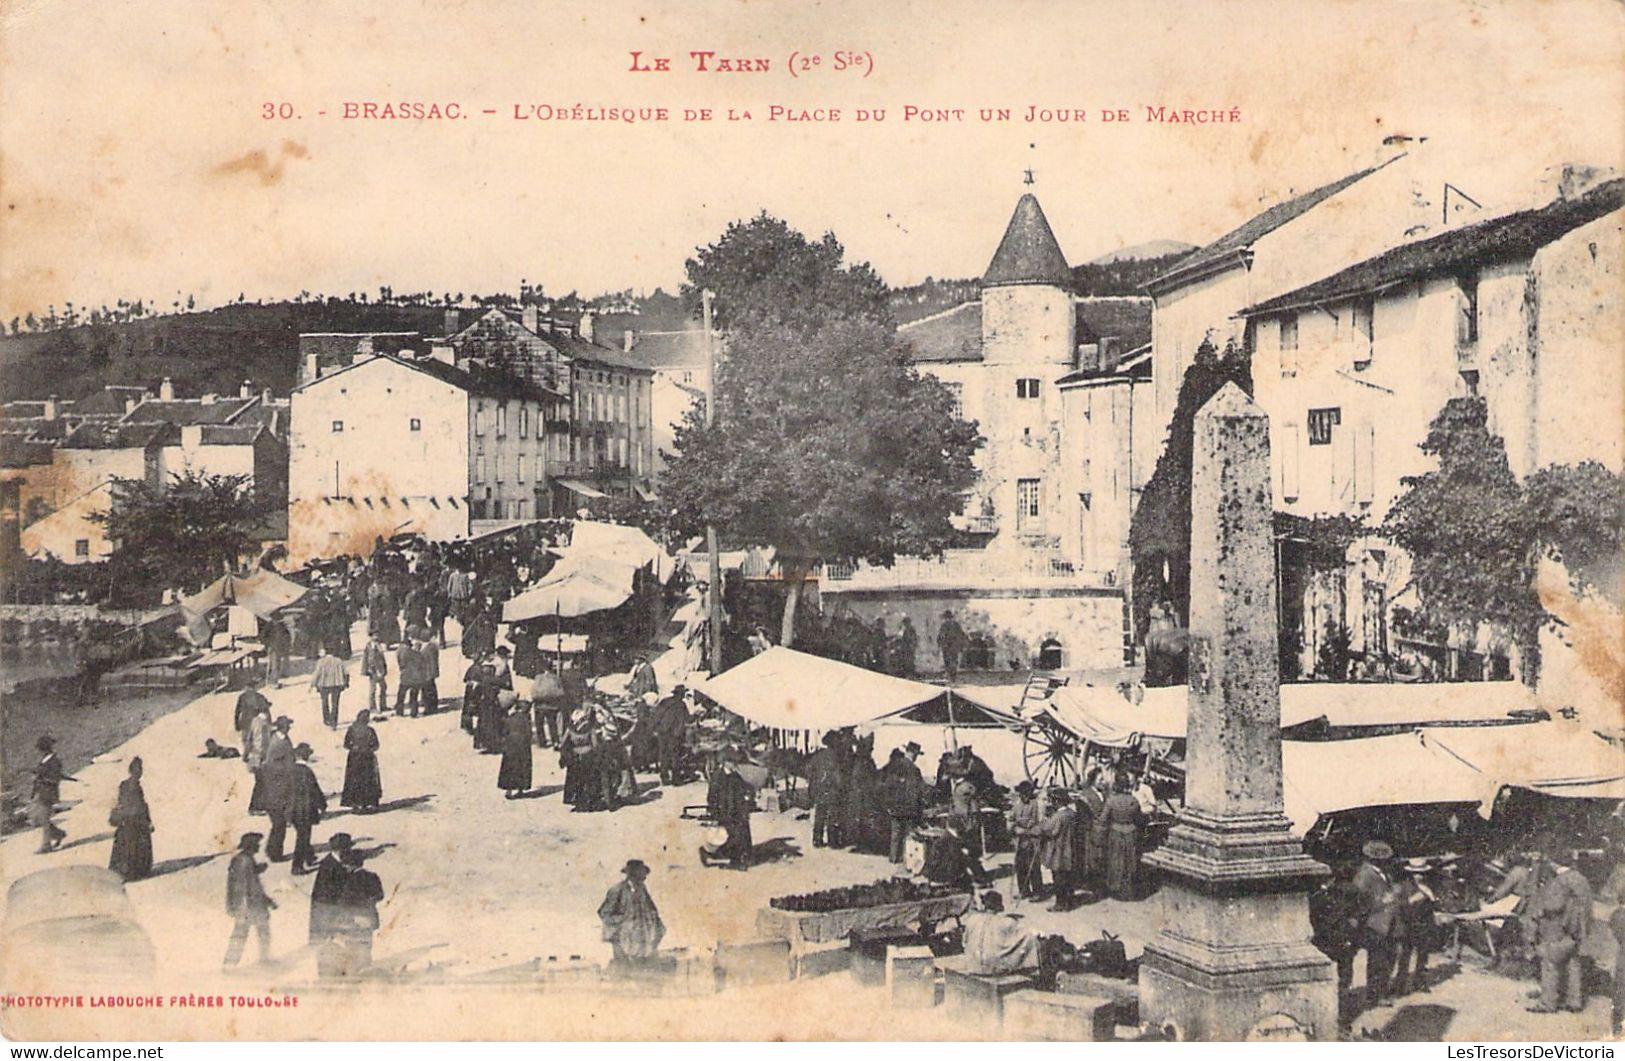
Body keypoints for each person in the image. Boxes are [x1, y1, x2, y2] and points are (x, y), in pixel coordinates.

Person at [1527, 844, 1593, 1014]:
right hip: (1579, 929)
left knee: (1550, 962)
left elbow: (1553, 905)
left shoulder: (1560, 881)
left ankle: (1548, 1003)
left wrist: (1539, 912)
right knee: (1573, 962)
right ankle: (1574, 1001)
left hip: (1561, 928)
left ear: (1553, 863)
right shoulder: (1580, 878)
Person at [1353, 840, 1401, 1007]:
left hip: (1387, 923)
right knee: (1377, 961)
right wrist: (1382, 901)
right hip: (1375, 924)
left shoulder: (1383, 873)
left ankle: (1381, 991)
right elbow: (1360, 901)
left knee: (1388, 958)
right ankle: (1374, 996)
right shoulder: (1365, 875)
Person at [223, 832, 276, 968]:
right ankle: (230, 964)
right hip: (248, 906)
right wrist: (245, 909)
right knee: (245, 934)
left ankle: (233, 962)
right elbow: (245, 886)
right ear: (251, 846)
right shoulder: (245, 861)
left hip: (250, 905)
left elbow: (250, 880)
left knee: (256, 932)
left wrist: (257, 869)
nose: (259, 847)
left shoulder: (244, 859)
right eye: (257, 844)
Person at [598, 860, 665, 966]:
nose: (644, 877)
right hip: (623, 940)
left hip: (642, 938)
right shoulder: (617, 890)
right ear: (632, 874)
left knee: (644, 966)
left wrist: (658, 926)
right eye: (641, 874)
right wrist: (624, 922)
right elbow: (604, 913)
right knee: (625, 968)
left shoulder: (642, 890)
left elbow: (652, 910)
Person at [962, 891, 1040, 975]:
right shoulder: (1006, 922)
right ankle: (1031, 971)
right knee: (1029, 937)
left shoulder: (972, 920)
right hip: (993, 967)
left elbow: (964, 942)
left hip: (974, 965)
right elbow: (1025, 935)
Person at [309, 832, 354, 977]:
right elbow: (327, 896)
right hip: (326, 917)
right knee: (327, 950)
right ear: (341, 850)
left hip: (329, 915)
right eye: (348, 849)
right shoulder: (329, 866)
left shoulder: (335, 863)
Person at [1393, 857, 1439, 995]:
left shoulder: (1429, 886)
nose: (1419, 876)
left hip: (1424, 924)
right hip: (1408, 924)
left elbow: (1435, 904)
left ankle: (1420, 982)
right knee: (1404, 956)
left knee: (1423, 955)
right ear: (1411, 873)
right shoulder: (1404, 886)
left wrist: (1433, 899)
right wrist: (1411, 900)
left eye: (1422, 873)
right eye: (1416, 873)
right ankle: (1400, 984)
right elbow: (1397, 905)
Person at [1097, 775, 1144, 901]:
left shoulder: (1111, 800)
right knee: (1130, 861)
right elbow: (1140, 819)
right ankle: (1128, 890)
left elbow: (1103, 818)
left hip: (1116, 832)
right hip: (1130, 832)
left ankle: (1115, 889)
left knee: (1116, 861)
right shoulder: (1134, 800)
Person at [704, 754, 755, 869]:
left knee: (741, 832)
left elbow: (744, 787)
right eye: (732, 762)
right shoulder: (718, 776)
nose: (735, 765)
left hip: (736, 810)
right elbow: (712, 796)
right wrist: (714, 813)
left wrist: (749, 793)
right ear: (725, 762)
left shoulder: (735, 775)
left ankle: (742, 857)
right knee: (731, 835)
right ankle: (734, 861)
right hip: (724, 811)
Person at [339, 847, 385, 974]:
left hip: (353, 918)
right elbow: (380, 895)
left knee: (353, 945)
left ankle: (356, 971)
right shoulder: (372, 876)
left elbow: (345, 902)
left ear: (351, 865)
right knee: (366, 944)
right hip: (369, 916)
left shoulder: (349, 880)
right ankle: (366, 966)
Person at [108, 757, 154, 882]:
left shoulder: (124, 784)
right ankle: (135, 872)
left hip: (127, 819)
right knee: (135, 846)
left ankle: (125, 871)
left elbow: (121, 802)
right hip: (134, 820)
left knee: (126, 847)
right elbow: (139, 805)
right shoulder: (134, 786)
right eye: (138, 769)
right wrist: (147, 820)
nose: (140, 772)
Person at [881, 743, 927, 864]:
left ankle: (893, 858)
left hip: (896, 807)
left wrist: (889, 804)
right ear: (913, 754)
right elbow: (920, 790)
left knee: (896, 834)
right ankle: (907, 859)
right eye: (916, 755)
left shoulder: (895, 766)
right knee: (909, 835)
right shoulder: (915, 770)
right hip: (910, 808)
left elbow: (888, 787)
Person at [285, 743, 327, 874]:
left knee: (302, 834)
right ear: (306, 756)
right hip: (305, 809)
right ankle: (296, 866)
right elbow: (315, 790)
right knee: (303, 837)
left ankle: (309, 857)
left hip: (292, 810)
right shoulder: (307, 772)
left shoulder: (289, 770)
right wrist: (322, 805)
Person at [29, 736, 74, 853]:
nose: (39, 751)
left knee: (43, 818)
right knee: (36, 818)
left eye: (40, 749)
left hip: (48, 792)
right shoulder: (45, 759)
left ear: (44, 749)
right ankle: (59, 834)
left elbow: (54, 779)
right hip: (40, 791)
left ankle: (46, 845)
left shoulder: (54, 761)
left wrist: (40, 778)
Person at [807, 730, 849, 848]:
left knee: (820, 815)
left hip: (820, 791)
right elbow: (837, 777)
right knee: (832, 816)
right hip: (831, 791)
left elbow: (809, 771)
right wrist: (841, 788)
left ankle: (817, 840)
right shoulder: (834, 757)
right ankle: (832, 841)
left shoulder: (818, 755)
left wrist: (814, 786)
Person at [1039, 790, 1080, 911]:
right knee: (1069, 877)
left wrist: (1044, 820)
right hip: (1070, 848)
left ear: (1057, 802)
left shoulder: (1058, 816)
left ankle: (1060, 903)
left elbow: (1050, 831)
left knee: (1058, 878)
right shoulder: (1072, 814)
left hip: (1059, 850)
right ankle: (1069, 901)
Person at [251, 715, 294, 820]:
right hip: (278, 771)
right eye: (287, 726)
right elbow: (272, 758)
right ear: (282, 727)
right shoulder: (277, 741)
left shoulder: (281, 737)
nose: (289, 728)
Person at [1008, 781, 1044, 900]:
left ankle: (1038, 892)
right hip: (1020, 840)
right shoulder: (1017, 805)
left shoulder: (1038, 805)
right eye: (1021, 794)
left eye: (1026, 794)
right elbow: (1010, 820)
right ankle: (1023, 891)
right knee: (1020, 865)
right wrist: (1014, 828)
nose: (1024, 796)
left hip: (1033, 840)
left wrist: (1029, 831)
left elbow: (1041, 824)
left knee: (1033, 866)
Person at [341, 710, 382, 813]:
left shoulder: (351, 729)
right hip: (367, 758)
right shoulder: (370, 730)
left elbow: (346, 744)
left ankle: (355, 803)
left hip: (354, 758)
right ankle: (367, 803)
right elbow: (376, 745)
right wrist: (368, 748)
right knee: (367, 780)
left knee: (354, 780)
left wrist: (354, 747)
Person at [651, 686, 690, 785]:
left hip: (662, 732)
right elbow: (685, 719)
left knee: (663, 754)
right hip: (674, 733)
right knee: (675, 755)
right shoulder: (681, 705)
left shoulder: (665, 701)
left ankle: (664, 777)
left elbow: (656, 715)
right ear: (681, 694)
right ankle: (675, 779)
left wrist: (655, 728)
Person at [498, 697, 534, 798]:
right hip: (523, 746)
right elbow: (529, 733)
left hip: (511, 745)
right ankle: (521, 789)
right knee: (522, 767)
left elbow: (504, 731)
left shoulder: (511, 718)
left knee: (509, 767)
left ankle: (508, 790)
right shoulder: (526, 719)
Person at [531, 665, 569, 749]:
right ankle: (555, 741)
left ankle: (542, 742)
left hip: (539, 705)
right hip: (551, 705)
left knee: (539, 724)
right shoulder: (555, 678)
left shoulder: (538, 677)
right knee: (552, 724)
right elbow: (561, 692)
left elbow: (533, 691)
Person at [313, 647, 349, 729]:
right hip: (336, 684)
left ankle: (326, 719)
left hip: (324, 684)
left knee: (324, 702)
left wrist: (313, 684)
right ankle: (334, 722)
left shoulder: (321, 661)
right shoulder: (339, 661)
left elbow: (317, 674)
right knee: (335, 703)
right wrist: (346, 683)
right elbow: (346, 673)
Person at [395, 634, 427, 717]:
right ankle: (414, 712)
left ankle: (399, 711)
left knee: (401, 695)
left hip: (405, 677)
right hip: (416, 678)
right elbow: (422, 665)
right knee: (414, 696)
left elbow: (401, 664)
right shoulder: (418, 655)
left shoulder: (401, 652)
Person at [234, 680, 271, 748]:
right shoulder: (260, 696)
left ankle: (247, 754)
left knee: (247, 740)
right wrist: (269, 722)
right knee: (256, 739)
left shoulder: (242, 697)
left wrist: (236, 723)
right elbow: (266, 710)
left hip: (245, 722)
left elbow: (237, 711)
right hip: (256, 722)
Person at [936, 611, 968, 682]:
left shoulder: (951, 625)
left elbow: (961, 635)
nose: (947, 619)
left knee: (951, 661)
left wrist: (961, 645)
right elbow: (941, 636)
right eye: (946, 618)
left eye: (947, 618)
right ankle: (951, 676)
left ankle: (952, 676)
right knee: (950, 661)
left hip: (950, 647)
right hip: (949, 647)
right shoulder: (953, 625)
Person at [361, 633, 389, 714]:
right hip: (374, 671)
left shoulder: (378, 645)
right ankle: (372, 707)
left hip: (380, 670)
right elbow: (370, 660)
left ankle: (383, 705)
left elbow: (382, 658)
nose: (376, 637)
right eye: (374, 636)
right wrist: (374, 670)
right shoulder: (370, 646)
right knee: (373, 689)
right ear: (370, 637)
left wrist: (384, 669)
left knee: (383, 687)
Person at [262, 618, 291, 688]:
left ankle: (272, 681)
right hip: (273, 648)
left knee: (275, 665)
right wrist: (268, 644)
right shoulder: (270, 626)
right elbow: (263, 636)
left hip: (278, 648)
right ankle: (273, 682)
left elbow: (287, 636)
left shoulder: (281, 626)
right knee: (275, 665)